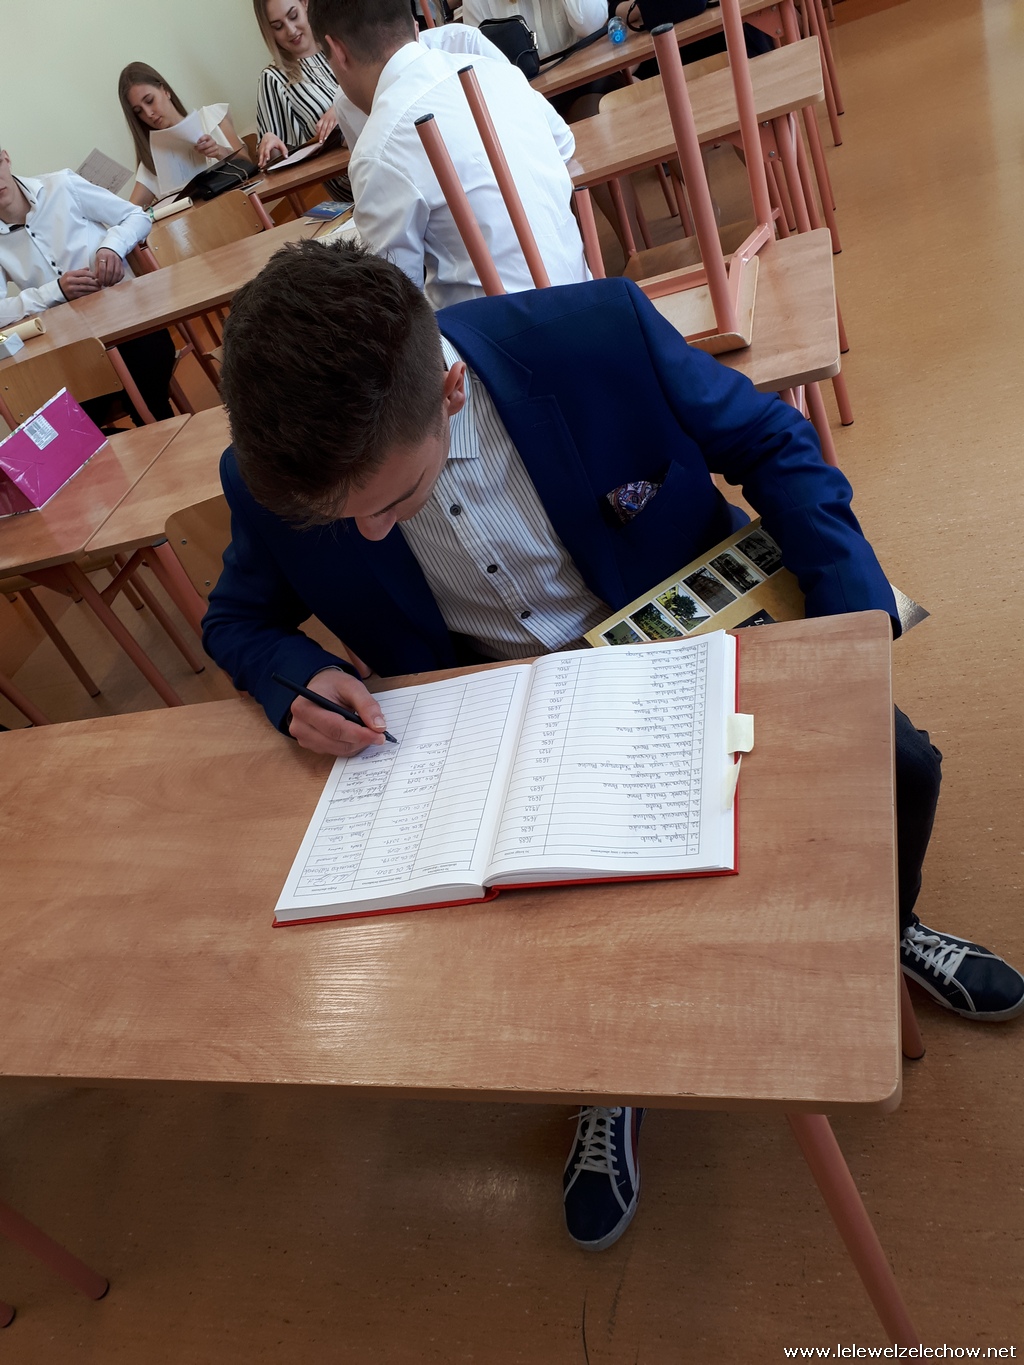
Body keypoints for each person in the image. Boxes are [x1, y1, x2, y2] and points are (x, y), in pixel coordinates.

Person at [206, 241, 1024, 1253]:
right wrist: (291, 679)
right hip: (498, 718)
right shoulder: (271, 477)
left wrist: (847, 635)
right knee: (539, 907)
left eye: (393, 500)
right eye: (343, 519)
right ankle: (610, 1068)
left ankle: (884, 922)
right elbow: (236, 619)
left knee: (897, 766)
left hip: (691, 653)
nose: (368, 535)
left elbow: (775, 445)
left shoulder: (595, 333)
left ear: (451, 393)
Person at [306, 0, 589, 307]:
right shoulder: (494, 69)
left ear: (338, 51)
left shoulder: (379, 145)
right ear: (412, 25)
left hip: (504, 329)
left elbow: (398, 297)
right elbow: (565, 145)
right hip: (589, 298)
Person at [0, 145, 175, 423]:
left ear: (6, 158)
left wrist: (112, 246)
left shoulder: (61, 185)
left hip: (130, 321)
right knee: (61, 425)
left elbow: (136, 216)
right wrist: (54, 292)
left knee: (145, 398)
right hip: (72, 350)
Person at [252, 0, 351, 202]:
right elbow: (275, 163)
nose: (290, 30)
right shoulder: (274, 79)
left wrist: (341, 105)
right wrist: (269, 145)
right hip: (349, 178)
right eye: (278, 26)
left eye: (293, 16)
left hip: (380, 147)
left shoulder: (340, 42)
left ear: (305, 4)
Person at [118, 62, 244, 210]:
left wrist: (219, 151)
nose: (148, 113)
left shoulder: (212, 118)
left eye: (149, 101)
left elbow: (249, 165)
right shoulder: (151, 159)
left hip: (239, 211)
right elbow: (129, 212)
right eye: (139, 111)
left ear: (165, 91)